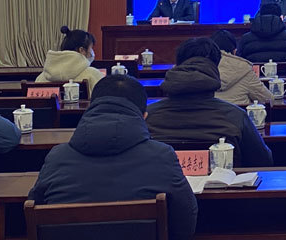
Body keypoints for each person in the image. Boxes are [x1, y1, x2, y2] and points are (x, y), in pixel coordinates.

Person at [28, 75, 197, 240]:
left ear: (91, 108)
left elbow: (36, 212)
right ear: (144, 117)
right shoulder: (162, 156)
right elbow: (185, 222)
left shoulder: (57, 157)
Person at [147, 37, 273, 167]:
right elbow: (262, 161)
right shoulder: (236, 117)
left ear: (178, 64)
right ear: (216, 66)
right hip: (225, 180)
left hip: (162, 180)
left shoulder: (148, 116)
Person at [237, 4, 286, 75]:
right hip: (285, 79)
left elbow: (238, 63)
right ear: (280, 17)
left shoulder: (245, 39)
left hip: (254, 80)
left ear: (259, 15)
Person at [211, 29, 272, 104]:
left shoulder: (201, 67)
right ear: (234, 51)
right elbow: (268, 99)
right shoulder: (244, 69)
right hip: (237, 111)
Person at [36, 25, 103, 94]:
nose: (92, 52)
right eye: (91, 48)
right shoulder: (93, 75)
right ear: (82, 50)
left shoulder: (41, 78)